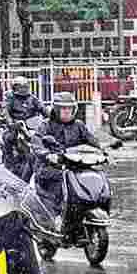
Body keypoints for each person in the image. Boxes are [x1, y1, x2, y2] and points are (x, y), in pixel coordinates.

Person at [31, 91, 101, 227]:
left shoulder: (79, 125)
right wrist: (47, 155)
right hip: (51, 167)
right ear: (56, 109)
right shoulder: (46, 125)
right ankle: (55, 215)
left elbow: (92, 140)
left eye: (69, 108)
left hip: (74, 165)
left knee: (92, 177)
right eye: (63, 108)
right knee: (58, 183)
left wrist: (105, 151)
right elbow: (36, 142)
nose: (67, 112)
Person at [0, 77, 44, 182]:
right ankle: (9, 161)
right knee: (9, 138)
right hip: (16, 126)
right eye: (20, 87)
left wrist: (52, 116)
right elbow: (5, 111)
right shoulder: (10, 98)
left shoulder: (32, 98)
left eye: (25, 86)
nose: (23, 89)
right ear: (15, 87)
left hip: (30, 126)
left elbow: (42, 108)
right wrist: (10, 122)